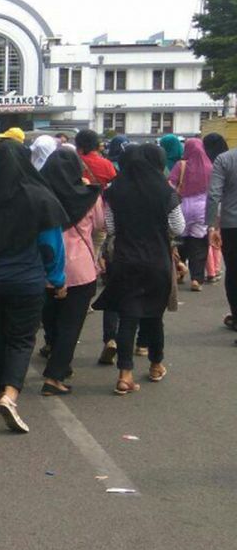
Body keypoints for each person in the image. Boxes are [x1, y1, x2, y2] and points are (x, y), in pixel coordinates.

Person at [0, 139, 67, 433]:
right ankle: (10, 394)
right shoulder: (39, 196)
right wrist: (57, 279)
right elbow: (51, 245)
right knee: (21, 339)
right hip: (27, 280)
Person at [94, 145, 184, 392]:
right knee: (154, 316)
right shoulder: (165, 191)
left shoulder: (115, 190)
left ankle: (125, 374)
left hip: (125, 259)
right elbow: (178, 227)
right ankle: (156, 365)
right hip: (157, 261)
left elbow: (110, 227)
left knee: (128, 317)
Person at [37, 149, 103, 395]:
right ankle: (55, 375)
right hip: (81, 269)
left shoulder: (40, 195)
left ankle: (58, 359)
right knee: (71, 324)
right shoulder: (90, 196)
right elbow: (99, 225)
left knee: (51, 319)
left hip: (46, 266)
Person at [168, 138, 212, 292]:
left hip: (182, 206)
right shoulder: (209, 165)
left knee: (180, 240)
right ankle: (196, 279)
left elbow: (170, 185)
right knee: (199, 244)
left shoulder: (181, 165)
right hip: (202, 207)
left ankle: (179, 272)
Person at [207, 137, 237, 331]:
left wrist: (211, 225)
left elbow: (214, 195)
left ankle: (236, 316)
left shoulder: (225, 159)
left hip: (231, 224)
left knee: (233, 272)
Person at [203, 133, 228, 284]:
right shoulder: (227, 160)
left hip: (208, 204)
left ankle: (210, 271)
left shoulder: (204, 163)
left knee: (207, 239)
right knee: (218, 239)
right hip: (225, 206)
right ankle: (217, 269)